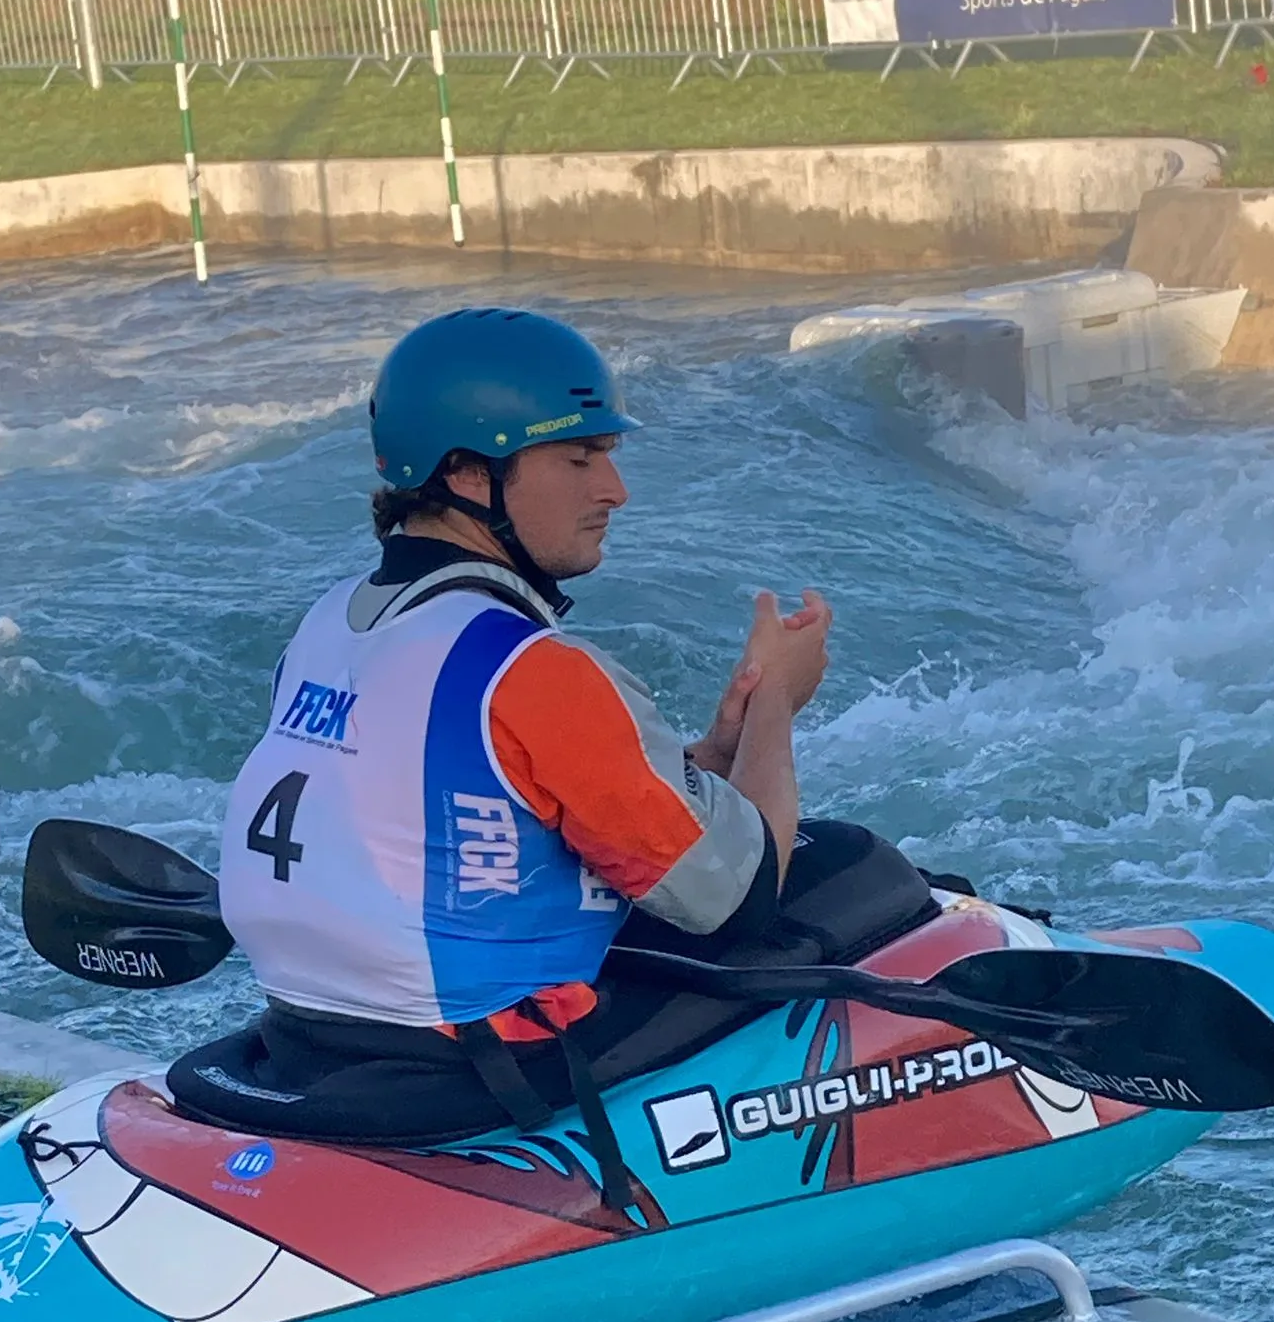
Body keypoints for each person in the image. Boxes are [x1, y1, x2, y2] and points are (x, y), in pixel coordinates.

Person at [182, 310, 871, 1164]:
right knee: (850, 870)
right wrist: (777, 706)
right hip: (471, 1058)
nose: (615, 491)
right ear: (470, 476)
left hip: (315, 1033)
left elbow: (481, 793)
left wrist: (716, 750)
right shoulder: (532, 667)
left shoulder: (331, 623)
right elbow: (737, 900)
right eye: (579, 459)